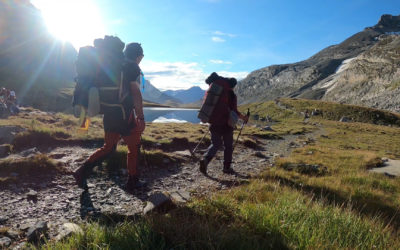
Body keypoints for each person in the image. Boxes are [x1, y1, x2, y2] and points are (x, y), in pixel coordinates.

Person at [73, 42, 146, 191]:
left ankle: (82, 171)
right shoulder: (132, 68)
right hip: (125, 114)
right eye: (141, 57)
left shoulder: (115, 64)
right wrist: (141, 118)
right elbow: (136, 94)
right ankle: (133, 181)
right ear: (139, 56)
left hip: (109, 113)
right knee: (134, 147)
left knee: (109, 147)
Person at [199, 73, 249, 175]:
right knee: (228, 146)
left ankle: (205, 159)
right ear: (233, 85)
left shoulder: (216, 90)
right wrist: (244, 117)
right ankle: (226, 167)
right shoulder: (230, 94)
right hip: (226, 124)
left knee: (215, 144)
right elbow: (234, 111)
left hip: (213, 122)